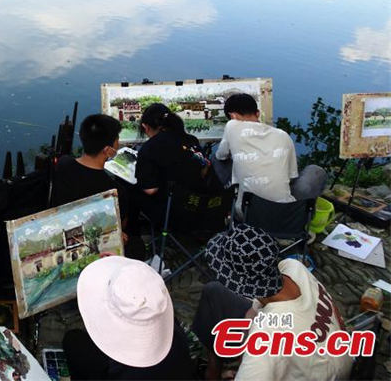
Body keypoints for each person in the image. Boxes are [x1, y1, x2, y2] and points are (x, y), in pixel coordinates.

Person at [192, 224, 352, 380]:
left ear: (239, 284)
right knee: (214, 291)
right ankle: (213, 370)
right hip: (339, 357)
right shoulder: (294, 267)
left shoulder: (266, 337)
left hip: (321, 373)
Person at [63, 256, 194, 380]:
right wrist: (120, 271)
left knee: (73, 340)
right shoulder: (175, 332)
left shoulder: (112, 364)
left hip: (121, 372)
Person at [214, 93, 326, 217]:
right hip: (285, 215)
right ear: (257, 113)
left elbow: (220, 156)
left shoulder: (231, 126)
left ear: (232, 116)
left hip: (247, 214)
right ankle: (306, 215)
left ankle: (224, 200)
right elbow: (291, 178)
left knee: (216, 159)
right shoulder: (283, 135)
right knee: (316, 171)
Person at [125, 102, 208, 240]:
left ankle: (133, 237)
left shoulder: (149, 147)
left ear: (145, 127)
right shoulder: (191, 140)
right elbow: (203, 170)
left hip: (172, 212)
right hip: (200, 206)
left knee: (129, 189)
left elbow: (150, 190)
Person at [49, 113, 125, 211]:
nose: (118, 144)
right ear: (107, 150)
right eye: (117, 140)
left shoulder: (63, 163)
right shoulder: (114, 191)